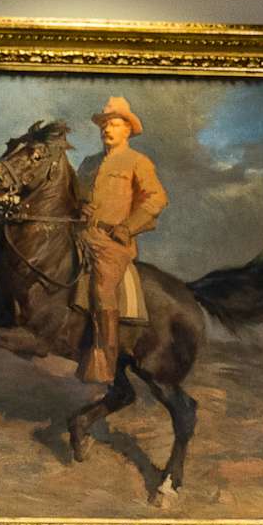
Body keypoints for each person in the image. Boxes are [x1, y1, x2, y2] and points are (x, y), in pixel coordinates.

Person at [74, 94, 167, 383]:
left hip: (113, 242)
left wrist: (128, 227)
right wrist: (79, 206)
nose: (106, 130)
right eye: (103, 125)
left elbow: (157, 198)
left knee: (102, 288)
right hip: (80, 233)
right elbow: (75, 196)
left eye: (113, 124)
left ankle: (104, 358)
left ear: (128, 129)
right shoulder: (88, 163)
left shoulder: (138, 162)